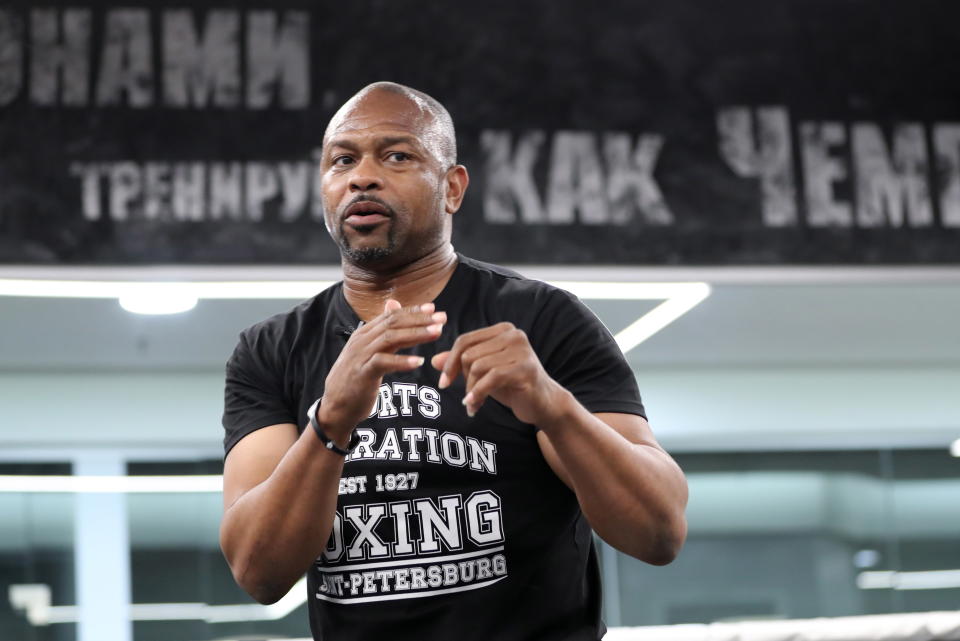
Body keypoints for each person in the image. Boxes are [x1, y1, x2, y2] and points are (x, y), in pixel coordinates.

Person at [220, 81, 688, 641]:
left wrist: (554, 409)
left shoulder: (541, 320)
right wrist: (331, 420)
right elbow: (257, 570)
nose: (361, 177)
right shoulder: (272, 351)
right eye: (342, 160)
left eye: (397, 155)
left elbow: (658, 532)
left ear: (453, 188)